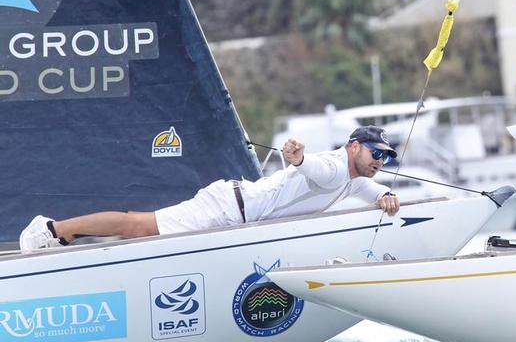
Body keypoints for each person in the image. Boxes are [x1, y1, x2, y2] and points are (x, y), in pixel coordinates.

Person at [19, 125, 402, 251]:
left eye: (384, 158)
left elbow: (364, 191)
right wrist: (299, 157)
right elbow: (318, 170)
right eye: (375, 154)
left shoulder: (354, 179)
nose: (379, 162)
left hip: (238, 219)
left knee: (142, 230)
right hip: (227, 209)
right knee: (138, 227)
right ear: (354, 146)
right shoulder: (336, 168)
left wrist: (384, 195)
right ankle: (54, 230)